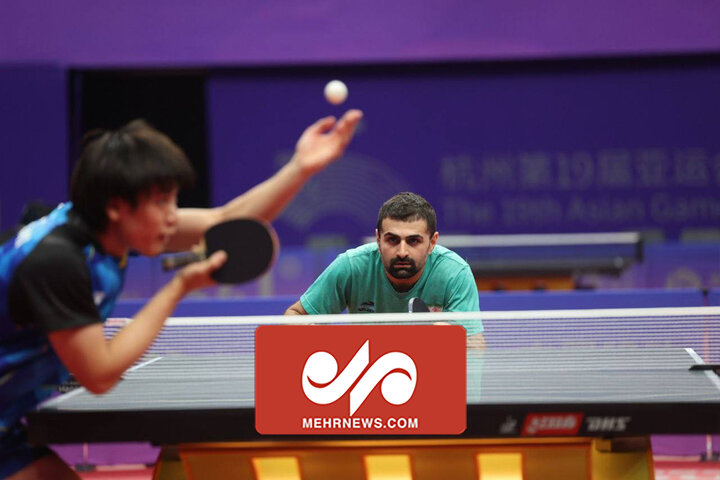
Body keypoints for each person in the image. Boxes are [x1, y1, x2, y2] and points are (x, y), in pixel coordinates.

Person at [0, 109, 362, 479]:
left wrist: (300, 167)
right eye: (160, 202)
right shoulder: (57, 262)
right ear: (115, 206)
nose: (172, 216)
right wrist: (178, 288)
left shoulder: (101, 227)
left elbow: (223, 222)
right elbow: (99, 373)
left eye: (173, 200)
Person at [285, 192, 484, 345]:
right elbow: (294, 316)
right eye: (392, 240)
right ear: (378, 239)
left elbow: (475, 345)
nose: (402, 252)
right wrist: (309, 333)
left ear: (432, 242)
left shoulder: (454, 273)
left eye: (414, 241)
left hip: (430, 376)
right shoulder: (352, 266)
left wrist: (453, 340)